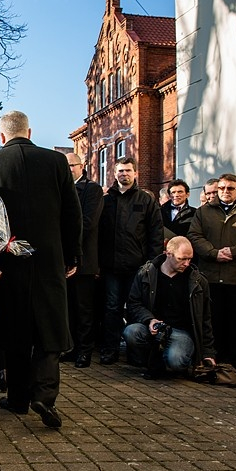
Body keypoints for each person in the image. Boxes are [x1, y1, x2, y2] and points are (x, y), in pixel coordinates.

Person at [0, 111, 82, 429]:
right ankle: (45, 395)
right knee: (50, 326)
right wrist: (72, 255)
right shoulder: (56, 162)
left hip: (10, 261)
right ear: (30, 131)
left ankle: (18, 398)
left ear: (2, 136)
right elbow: (72, 211)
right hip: (50, 258)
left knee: (15, 328)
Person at [188, 173, 236, 373]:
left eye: (230, 188)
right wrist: (214, 253)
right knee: (214, 321)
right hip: (211, 276)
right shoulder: (204, 212)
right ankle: (216, 360)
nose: (225, 192)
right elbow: (194, 236)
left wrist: (234, 251)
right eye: (222, 188)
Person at [97, 156, 164, 365]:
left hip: (139, 267)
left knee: (137, 310)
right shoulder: (106, 200)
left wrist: (152, 264)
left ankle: (137, 353)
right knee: (111, 309)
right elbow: (98, 233)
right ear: (114, 174)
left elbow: (156, 234)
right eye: (120, 171)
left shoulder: (146, 200)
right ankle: (110, 350)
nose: (123, 174)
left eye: (127, 171)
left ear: (135, 173)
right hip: (111, 267)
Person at [123, 237, 216, 378]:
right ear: (168, 253)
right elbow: (134, 303)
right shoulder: (147, 272)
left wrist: (208, 353)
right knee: (131, 332)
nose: (186, 263)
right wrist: (150, 320)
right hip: (156, 327)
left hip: (182, 331)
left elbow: (205, 318)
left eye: (190, 259)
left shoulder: (197, 281)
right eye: (182, 259)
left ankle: (167, 361)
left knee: (177, 361)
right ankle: (153, 360)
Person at [63, 152, 103, 368]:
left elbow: (88, 223)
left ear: (81, 166)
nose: (69, 169)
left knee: (84, 309)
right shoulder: (64, 189)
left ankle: (85, 351)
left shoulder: (92, 189)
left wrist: (67, 242)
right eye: (65, 166)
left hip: (84, 259)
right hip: (66, 259)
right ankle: (73, 348)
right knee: (69, 308)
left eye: (72, 165)